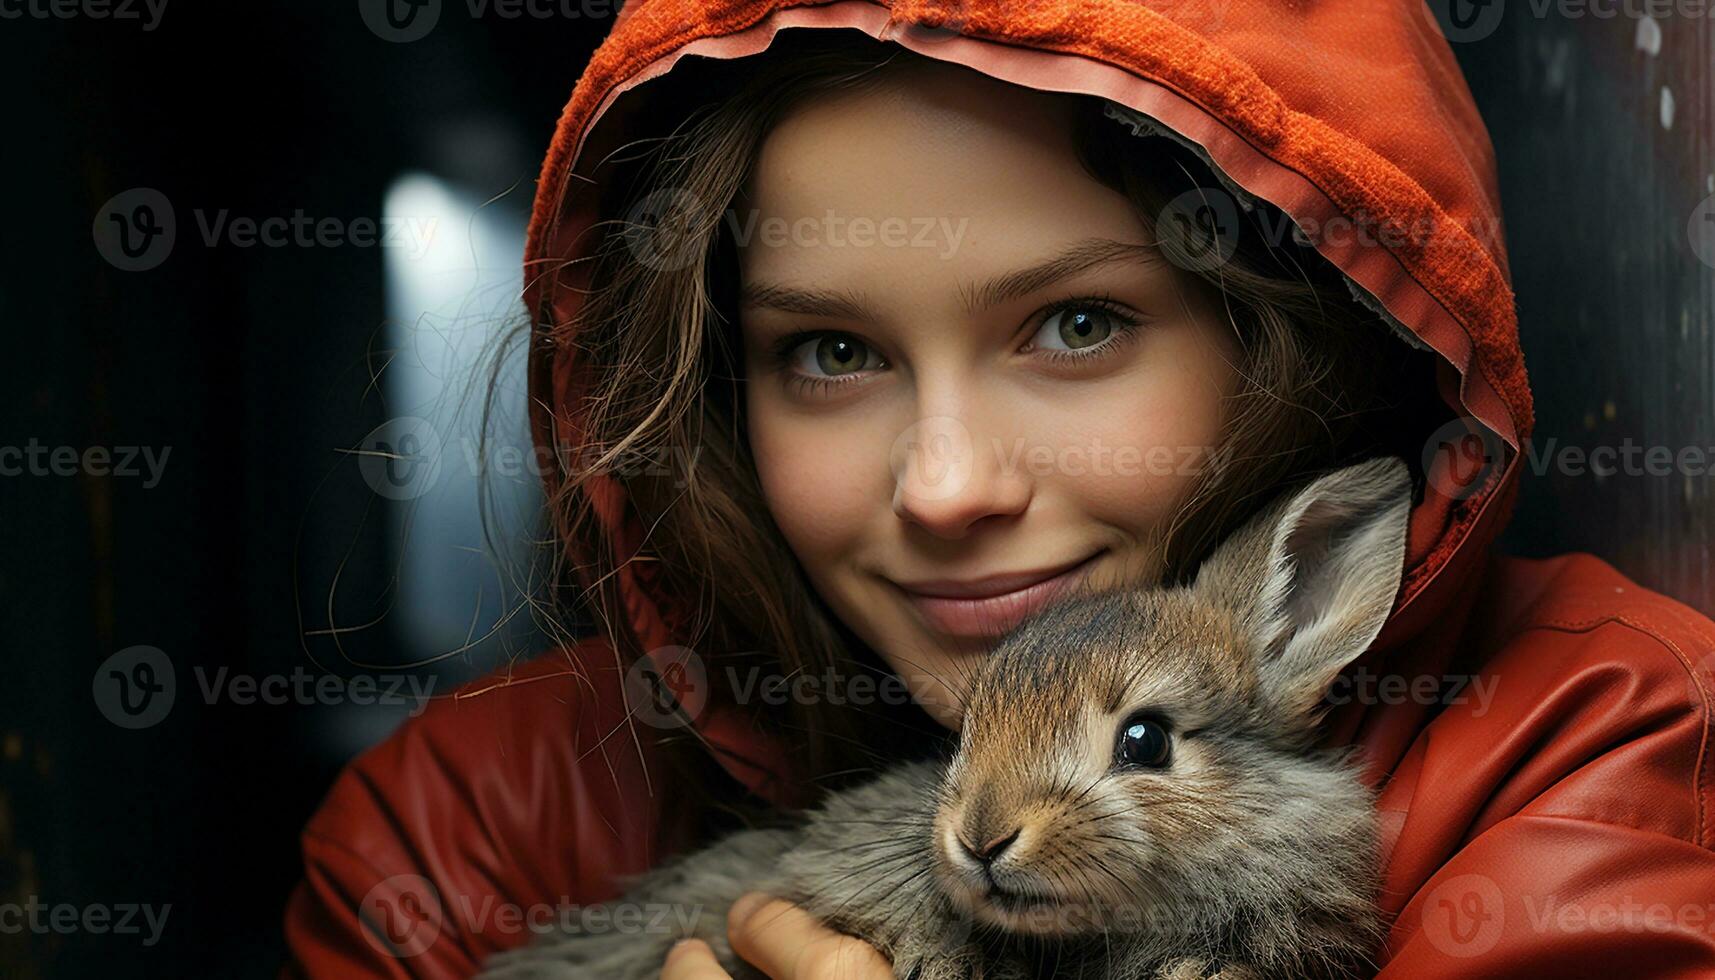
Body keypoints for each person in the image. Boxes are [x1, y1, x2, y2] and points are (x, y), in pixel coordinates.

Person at [283, 2, 1715, 976]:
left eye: (1078, 326)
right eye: (832, 351)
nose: (949, 486)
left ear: (1292, 324)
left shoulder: (1609, 771)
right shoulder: (455, 837)